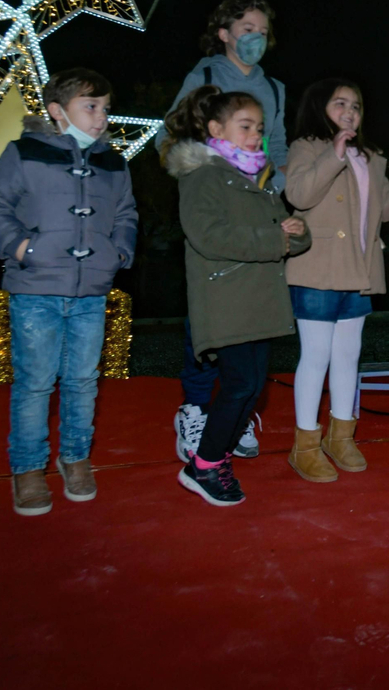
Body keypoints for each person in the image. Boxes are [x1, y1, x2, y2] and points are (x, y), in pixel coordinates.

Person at [0, 68, 138, 516]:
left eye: (105, 108)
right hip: (35, 289)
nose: (101, 117)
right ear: (57, 112)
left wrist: (118, 252)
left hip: (91, 292)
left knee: (83, 381)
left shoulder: (112, 162)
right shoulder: (24, 153)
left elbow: (126, 213)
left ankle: (76, 458)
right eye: (91, 107)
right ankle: (28, 468)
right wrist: (21, 246)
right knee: (35, 383)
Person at [162, 87, 308, 506]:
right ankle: (203, 465)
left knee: (252, 386)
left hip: (256, 302)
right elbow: (208, 236)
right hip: (227, 301)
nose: (254, 135)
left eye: (259, 128)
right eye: (245, 126)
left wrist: (297, 233)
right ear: (215, 128)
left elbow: (288, 232)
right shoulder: (204, 175)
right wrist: (275, 238)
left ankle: (215, 459)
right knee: (240, 383)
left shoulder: (255, 179)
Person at [283, 78, 389, 482]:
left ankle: (341, 436)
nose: (350, 111)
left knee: (348, 357)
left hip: (358, 272)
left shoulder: (370, 156)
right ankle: (305, 445)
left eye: (357, 106)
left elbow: (383, 211)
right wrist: (334, 154)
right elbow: (300, 195)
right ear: (318, 107)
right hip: (317, 268)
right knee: (316, 357)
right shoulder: (307, 148)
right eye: (340, 103)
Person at [170, 0, 286, 468]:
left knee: (250, 321)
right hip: (218, 202)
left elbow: (277, 146)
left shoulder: (274, 88)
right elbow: (172, 137)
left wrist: (270, 190)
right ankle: (197, 410)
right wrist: (212, 175)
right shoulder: (203, 77)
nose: (255, 35)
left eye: (263, 28)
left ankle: (234, 413)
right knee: (210, 315)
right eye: (246, 26)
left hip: (257, 205)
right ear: (224, 32)